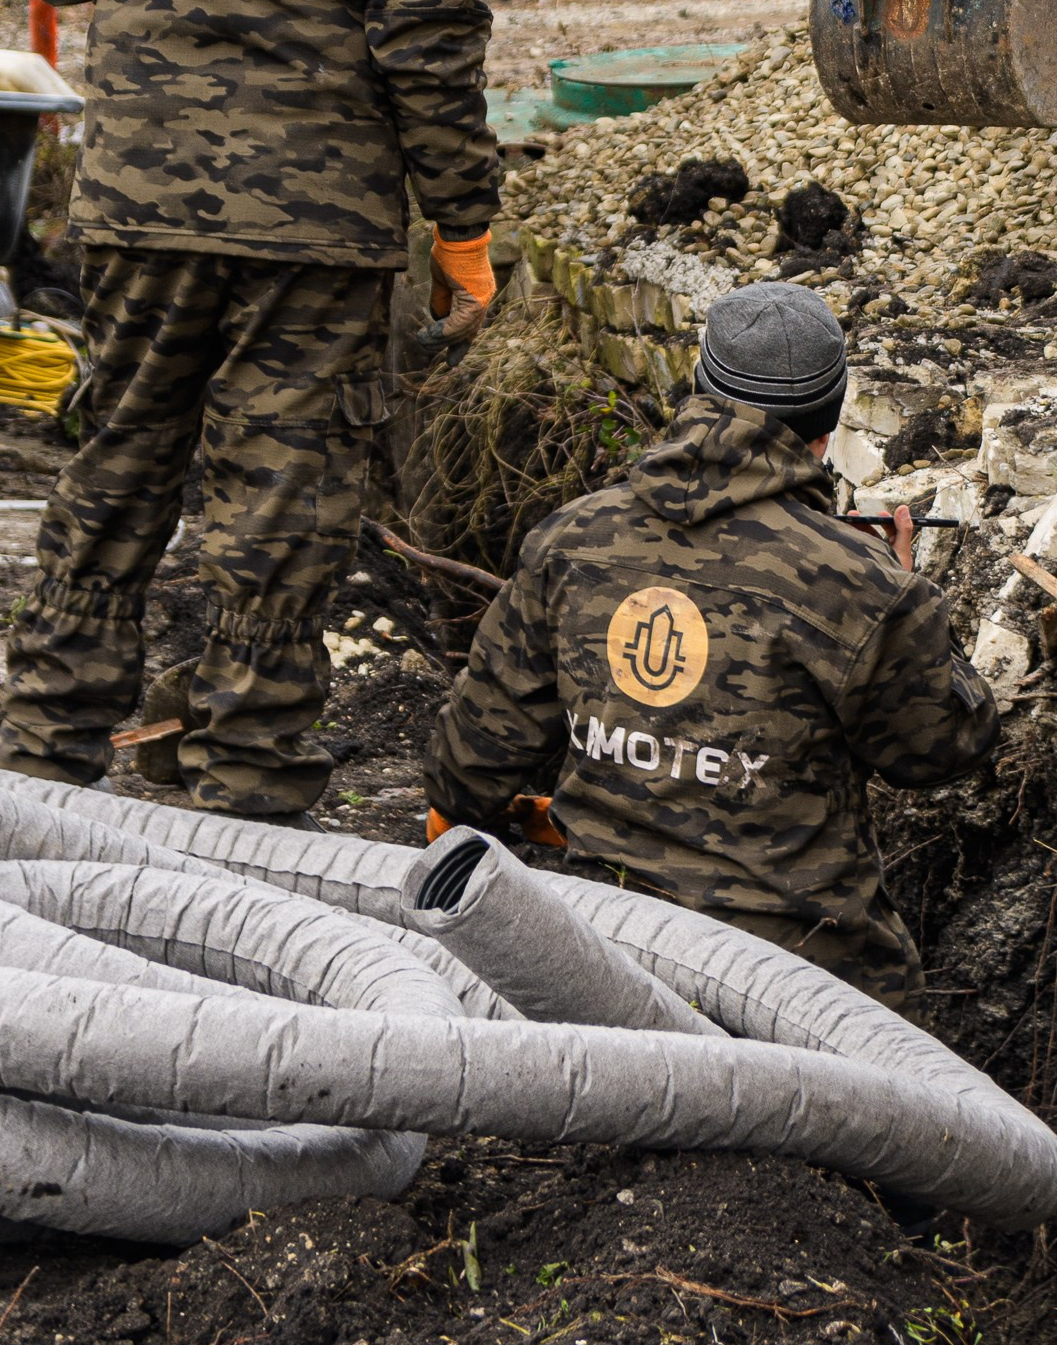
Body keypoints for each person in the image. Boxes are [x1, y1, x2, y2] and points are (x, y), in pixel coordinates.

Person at [0, 0, 500, 820]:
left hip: (141, 207)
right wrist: (465, 227)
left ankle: (47, 755)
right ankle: (253, 787)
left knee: (116, 461)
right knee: (280, 498)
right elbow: (430, 45)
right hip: (314, 239)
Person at [425, 283, 999, 1009]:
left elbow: (468, 765)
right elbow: (941, 750)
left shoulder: (574, 537)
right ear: (825, 431)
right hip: (800, 976)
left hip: (597, 943)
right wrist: (898, 592)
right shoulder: (858, 584)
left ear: (696, 390)